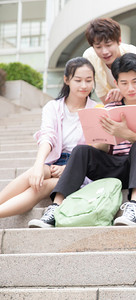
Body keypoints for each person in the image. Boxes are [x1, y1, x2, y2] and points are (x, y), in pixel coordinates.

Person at [28, 53, 136, 228]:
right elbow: (101, 147)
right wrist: (104, 138)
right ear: (116, 84)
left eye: (135, 81)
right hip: (118, 167)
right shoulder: (110, 107)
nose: (130, 88)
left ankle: (134, 207)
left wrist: (126, 133)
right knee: (81, 150)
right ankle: (55, 208)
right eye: (124, 83)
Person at [0, 57, 97, 222]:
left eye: (89, 80)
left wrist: (69, 167)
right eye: (78, 80)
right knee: (33, 174)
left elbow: (96, 149)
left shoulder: (96, 110)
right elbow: (47, 136)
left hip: (81, 171)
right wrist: (39, 166)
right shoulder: (53, 107)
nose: (84, 85)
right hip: (54, 162)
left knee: (41, 186)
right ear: (67, 80)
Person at [83, 17, 136, 104]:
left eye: (108, 45)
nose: (104, 52)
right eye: (98, 47)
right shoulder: (90, 57)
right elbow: (104, 97)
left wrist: (125, 92)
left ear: (119, 40)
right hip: (117, 109)